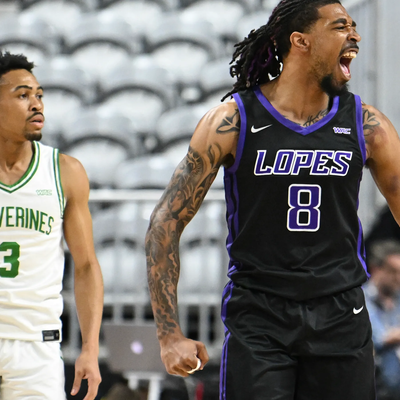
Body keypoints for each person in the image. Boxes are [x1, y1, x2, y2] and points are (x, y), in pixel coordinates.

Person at [145, 1, 400, 399]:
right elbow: (165, 221)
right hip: (259, 314)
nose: (355, 35)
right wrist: (168, 334)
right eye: (340, 26)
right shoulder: (232, 120)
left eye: (353, 25)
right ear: (301, 41)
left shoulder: (367, 125)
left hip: (341, 313)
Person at [0, 51, 103, 399]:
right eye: (22, 95)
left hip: (36, 345)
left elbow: (86, 266)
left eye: (39, 95)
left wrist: (89, 348)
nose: (36, 104)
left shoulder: (64, 172)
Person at [364, 240, 400, 400]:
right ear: (375, 269)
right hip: (375, 382)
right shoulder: (361, 298)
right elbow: (378, 338)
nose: (398, 278)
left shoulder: (398, 298)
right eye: (393, 272)